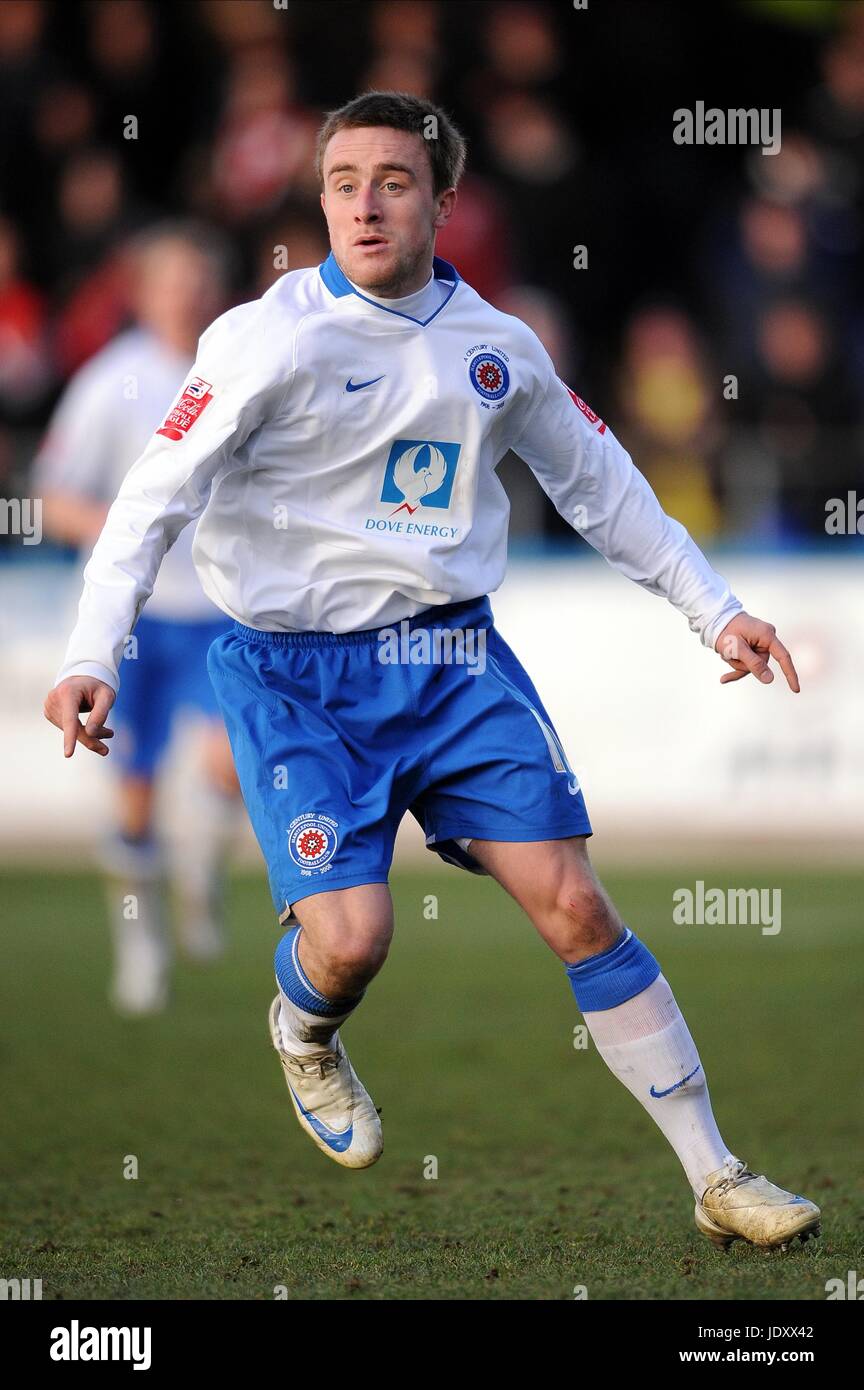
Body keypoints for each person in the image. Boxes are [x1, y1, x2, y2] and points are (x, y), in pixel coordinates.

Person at [43, 93, 820, 1251]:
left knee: (575, 904)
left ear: (445, 202)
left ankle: (716, 1174)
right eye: (344, 179)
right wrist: (90, 652)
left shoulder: (498, 351)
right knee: (353, 941)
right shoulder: (264, 338)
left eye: (394, 180)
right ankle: (305, 1031)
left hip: (454, 660)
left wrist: (717, 611)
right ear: (318, 197)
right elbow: (152, 497)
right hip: (294, 676)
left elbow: (599, 486)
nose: (364, 202)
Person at [36, 222, 241, 1014]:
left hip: (223, 611)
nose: (187, 294)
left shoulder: (238, 364)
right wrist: (120, 533)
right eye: (173, 279)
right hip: (138, 621)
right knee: (136, 796)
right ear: (145, 290)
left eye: (200, 278)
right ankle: (141, 944)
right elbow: (51, 496)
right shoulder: (110, 380)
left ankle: (201, 876)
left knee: (228, 763)